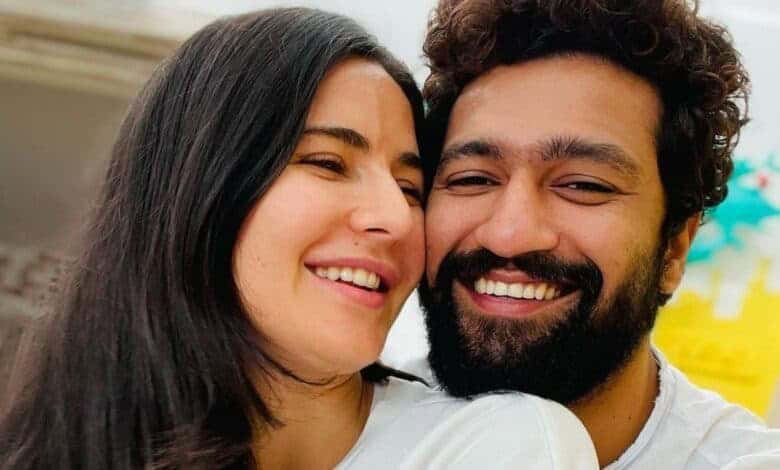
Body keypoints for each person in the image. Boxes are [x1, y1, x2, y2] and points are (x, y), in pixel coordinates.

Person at [0, 8, 598, 470]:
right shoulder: (52, 445)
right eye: (327, 163)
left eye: (411, 188)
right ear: (199, 190)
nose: (394, 218)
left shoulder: (492, 446)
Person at [412, 0, 780, 468]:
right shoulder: (347, 437)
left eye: (583, 185)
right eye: (473, 179)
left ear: (674, 248)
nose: (508, 235)